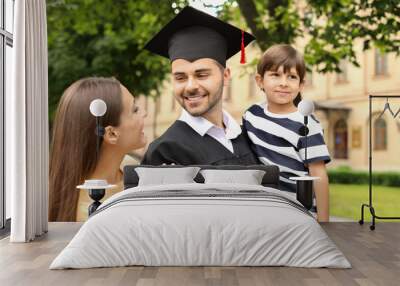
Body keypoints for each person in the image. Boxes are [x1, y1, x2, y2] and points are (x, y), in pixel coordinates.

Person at [141, 6, 259, 165]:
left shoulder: (248, 137)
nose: (190, 86)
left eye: (201, 75)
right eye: (180, 77)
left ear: (225, 76)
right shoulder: (165, 152)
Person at [242, 44, 331, 222]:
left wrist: (324, 221)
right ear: (260, 81)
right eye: (275, 75)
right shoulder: (251, 115)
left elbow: (318, 173)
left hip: (300, 211)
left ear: (301, 84)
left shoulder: (306, 125)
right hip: (265, 207)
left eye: (292, 77)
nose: (284, 83)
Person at [49, 77, 147, 222]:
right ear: (111, 133)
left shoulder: (129, 166)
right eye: (135, 110)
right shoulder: (91, 214)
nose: (144, 113)